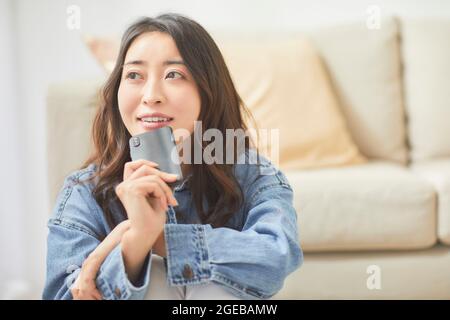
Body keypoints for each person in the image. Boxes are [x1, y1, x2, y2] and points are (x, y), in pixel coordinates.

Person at [42, 13, 303, 300]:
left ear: (209, 92)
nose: (151, 95)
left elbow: (276, 259)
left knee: (213, 282)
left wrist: (155, 238)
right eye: (134, 75)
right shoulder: (84, 191)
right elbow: (67, 294)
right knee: (151, 270)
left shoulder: (253, 174)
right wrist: (134, 246)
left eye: (174, 75)